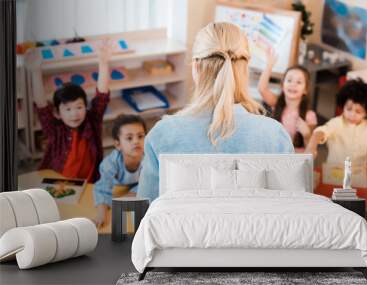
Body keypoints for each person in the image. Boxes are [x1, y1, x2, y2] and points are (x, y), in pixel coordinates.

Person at [137, 22, 294, 202]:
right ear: (245, 67)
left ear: (196, 67)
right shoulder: (275, 135)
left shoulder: (162, 135)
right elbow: (289, 213)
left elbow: (144, 214)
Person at [305, 79, 367, 233]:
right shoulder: (337, 122)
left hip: (360, 177)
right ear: (342, 105)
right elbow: (321, 131)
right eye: (348, 109)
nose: (352, 114)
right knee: (335, 213)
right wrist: (312, 145)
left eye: (358, 111)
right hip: (334, 177)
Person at [26, 40, 112, 182]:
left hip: (89, 182)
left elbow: (102, 96)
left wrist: (103, 63)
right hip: (58, 182)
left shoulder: (92, 121)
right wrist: (35, 71)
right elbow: (41, 105)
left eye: (79, 107)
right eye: (67, 109)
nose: (74, 114)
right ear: (57, 113)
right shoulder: (54, 128)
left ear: (86, 107)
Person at [257, 46, 317, 147]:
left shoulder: (309, 116)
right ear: (282, 86)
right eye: (289, 80)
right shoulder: (276, 103)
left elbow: (310, 150)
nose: (293, 84)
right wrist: (269, 65)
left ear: (305, 89)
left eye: (299, 82)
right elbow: (262, 89)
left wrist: (307, 135)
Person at [93, 114, 146, 228]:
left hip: (133, 194)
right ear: (118, 144)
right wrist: (102, 213)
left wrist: (133, 193)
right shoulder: (110, 163)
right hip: (117, 189)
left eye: (140, 136)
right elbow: (102, 189)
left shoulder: (149, 159)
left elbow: (154, 181)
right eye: (129, 138)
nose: (136, 141)